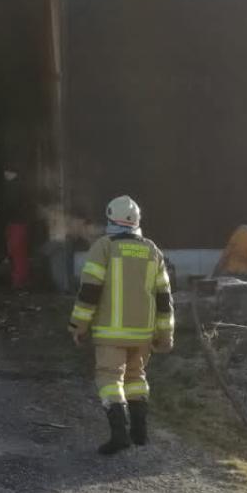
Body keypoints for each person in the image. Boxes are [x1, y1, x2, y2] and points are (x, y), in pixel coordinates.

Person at [68, 195, 175, 455]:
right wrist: (165, 334)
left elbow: (89, 292)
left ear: (110, 218)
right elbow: (164, 299)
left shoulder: (104, 247)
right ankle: (139, 432)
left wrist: (78, 325)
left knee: (109, 377)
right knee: (135, 377)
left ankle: (119, 435)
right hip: (143, 334)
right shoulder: (152, 250)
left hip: (111, 333)